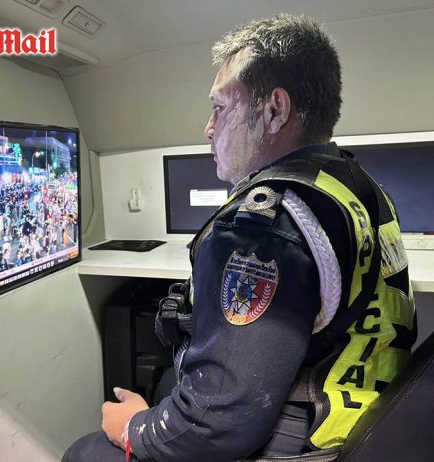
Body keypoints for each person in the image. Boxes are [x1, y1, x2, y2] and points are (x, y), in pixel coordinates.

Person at [63, 14, 416, 462]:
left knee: (86, 452)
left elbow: (214, 425)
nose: (208, 128)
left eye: (219, 108)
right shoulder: (357, 186)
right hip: (359, 419)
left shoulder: (261, 229)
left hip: (299, 445)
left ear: (274, 111)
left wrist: (135, 429)